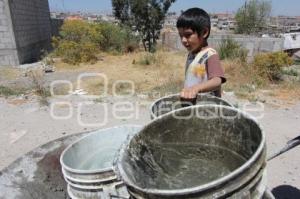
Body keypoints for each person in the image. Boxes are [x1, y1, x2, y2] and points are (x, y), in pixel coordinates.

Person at [176, 8, 226, 99]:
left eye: (188, 35)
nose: (183, 40)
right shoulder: (192, 54)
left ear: (204, 32)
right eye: (181, 35)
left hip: (208, 106)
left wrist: (196, 89)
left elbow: (217, 80)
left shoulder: (210, 55)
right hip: (195, 103)